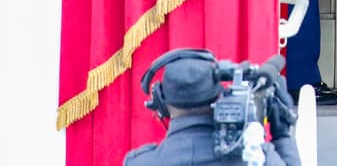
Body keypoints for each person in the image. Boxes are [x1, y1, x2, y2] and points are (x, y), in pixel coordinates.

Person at [126, 51, 300, 166]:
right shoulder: (256, 157)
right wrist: (283, 135)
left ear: (161, 103)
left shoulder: (139, 162)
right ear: (219, 95)